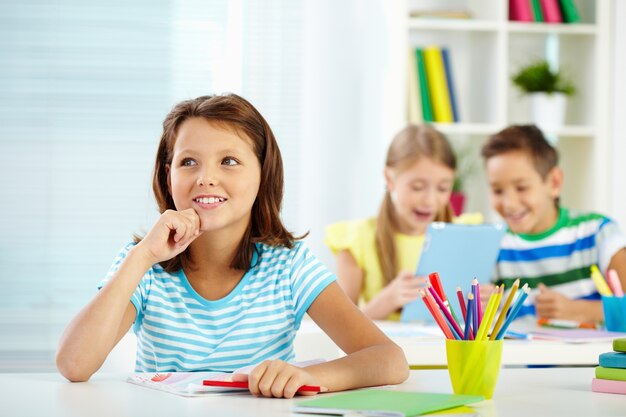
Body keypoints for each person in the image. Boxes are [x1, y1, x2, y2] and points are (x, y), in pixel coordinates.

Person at [56, 94, 408, 397]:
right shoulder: (144, 265)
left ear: (262, 173)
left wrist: (311, 376)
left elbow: (389, 359)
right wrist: (142, 257)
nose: (206, 177)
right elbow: (74, 364)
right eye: (188, 162)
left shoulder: (289, 267)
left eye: (229, 161)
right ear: (169, 175)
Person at [325, 124, 481, 321]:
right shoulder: (357, 240)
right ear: (389, 179)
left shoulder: (466, 233)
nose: (429, 200)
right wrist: (387, 301)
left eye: (442, 188)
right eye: (417, 187)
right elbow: (341, 327)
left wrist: (481, 303)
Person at [481, 124, 626, 322]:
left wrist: (579, 311)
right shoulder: (493, 245)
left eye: (521, 188)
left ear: (554, 183)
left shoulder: (598, 233)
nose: (509, 204)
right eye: (497, 191)